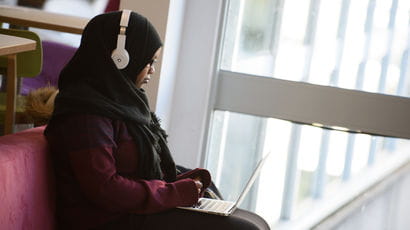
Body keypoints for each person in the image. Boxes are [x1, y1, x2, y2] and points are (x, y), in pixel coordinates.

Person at [44, 10, 270, 230]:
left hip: (131, 211)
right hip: (106, 220)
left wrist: (186, 182)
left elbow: (140, 169)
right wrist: (177, 193)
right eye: (148, 61)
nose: (151, 70)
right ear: (120, 58)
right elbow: (105, 189)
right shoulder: (86, 114)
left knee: (254, 221)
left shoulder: (123, 103)